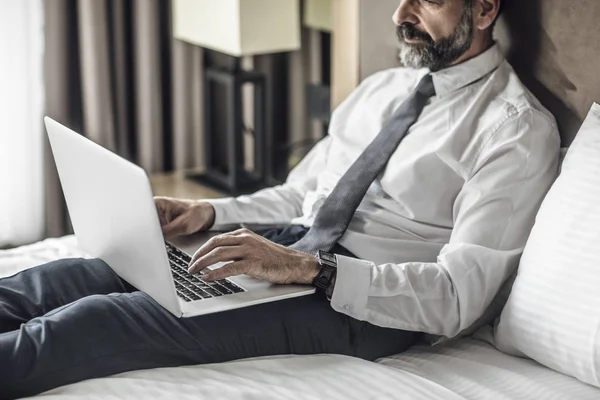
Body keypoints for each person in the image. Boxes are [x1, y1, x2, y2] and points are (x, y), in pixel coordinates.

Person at [0, 0, 560, 398]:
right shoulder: (382, 89)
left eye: (427, 0)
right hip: (295, 248)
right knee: (61, 280)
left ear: (484, 10)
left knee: (99, 321)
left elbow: (458, 299)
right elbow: (304, 192)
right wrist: (210, 213)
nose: (399, 15)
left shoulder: (515, 132)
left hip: (364, 299)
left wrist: (310, 270)